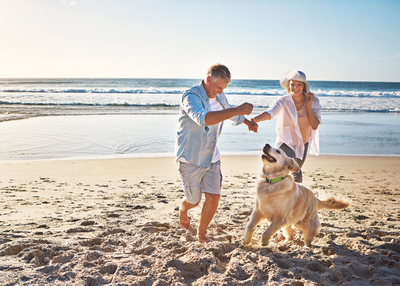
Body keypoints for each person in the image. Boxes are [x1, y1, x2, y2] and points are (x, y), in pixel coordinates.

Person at [175, 63, 258, 243]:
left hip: (212, 156)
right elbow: (204, 119)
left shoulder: (220, 97)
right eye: (218, 87)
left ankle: (201, 234)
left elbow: (230, 114)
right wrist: (236, 110)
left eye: (224, 88)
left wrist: (247, 122)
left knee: (214, 197)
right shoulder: (190, 97)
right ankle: (183, 207)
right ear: (208, 80)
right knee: (194, 201)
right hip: (190, 158)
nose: (220, 91)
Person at [251, 69, 322, 183]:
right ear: (288, 86)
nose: (295, 87)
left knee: (290, 176)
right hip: (286, 142)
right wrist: (254, 120)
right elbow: (270, 112)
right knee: (296, 175)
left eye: (299, 84)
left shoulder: (313, 102)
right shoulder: (283, 101)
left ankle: (282, 194)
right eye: (292, 84)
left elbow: (314, 126)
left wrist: (308, 106)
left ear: (304, 86)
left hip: (303, 143)